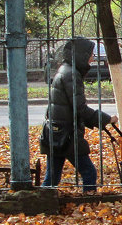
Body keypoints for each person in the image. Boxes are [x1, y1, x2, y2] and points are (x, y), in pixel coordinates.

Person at [40, 37, 117, 193]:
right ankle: (89, 204)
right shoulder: (72, 75)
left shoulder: (65, 70)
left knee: (52, 177)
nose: (93, 57)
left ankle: (42, 201)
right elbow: (80, 108)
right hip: (67, 136)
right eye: (90, 54)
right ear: (81, 55)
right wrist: (106, 119)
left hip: (56, 133)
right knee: (89, 172)